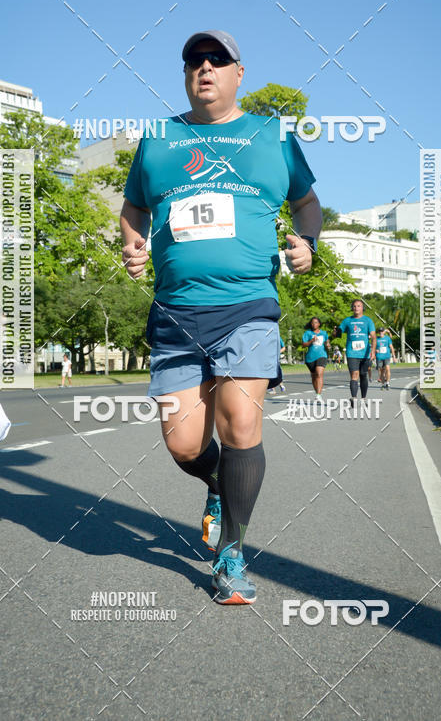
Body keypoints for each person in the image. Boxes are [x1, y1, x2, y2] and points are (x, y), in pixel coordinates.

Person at [120, 30, 320, 604]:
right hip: (176, 311)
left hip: (248, 304)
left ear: (238, 72)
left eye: (216, 59)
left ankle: (231, 552)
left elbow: (306, 202)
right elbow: (134, 205)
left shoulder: (271, 134)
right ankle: (216, 487)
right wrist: (134, 243)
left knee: (240, 425)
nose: (203, 67)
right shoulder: (159, 137)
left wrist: (308, 242)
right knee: (184, 444)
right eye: (193, 60)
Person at [333, 298, 376, 404]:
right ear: (352, 308)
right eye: (354, 306)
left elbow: (373, 337)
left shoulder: (368, 320)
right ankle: (354, 397)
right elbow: (338, 334)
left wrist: (373, 351)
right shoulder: (347, 320)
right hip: (352, 352)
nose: (356, 308)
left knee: (363, 375)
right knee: (354, 374)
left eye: (359, 306)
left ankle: (364, 397)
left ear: (362, 308)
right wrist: (335, 332)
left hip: (365, 353)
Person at [302, 317, 330, 397]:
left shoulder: (324, 333)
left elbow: (327, 342)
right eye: (313, 323)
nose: (314, 324)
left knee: (319, 374)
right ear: (311, 324)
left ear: (319, 324)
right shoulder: (307, 333)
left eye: (316, 322)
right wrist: (311, 341)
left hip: (322, 355)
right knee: (314, 376)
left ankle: (318, 395)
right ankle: (317, 392)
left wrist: (328, 345)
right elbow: (303, 345)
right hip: (310, 358)